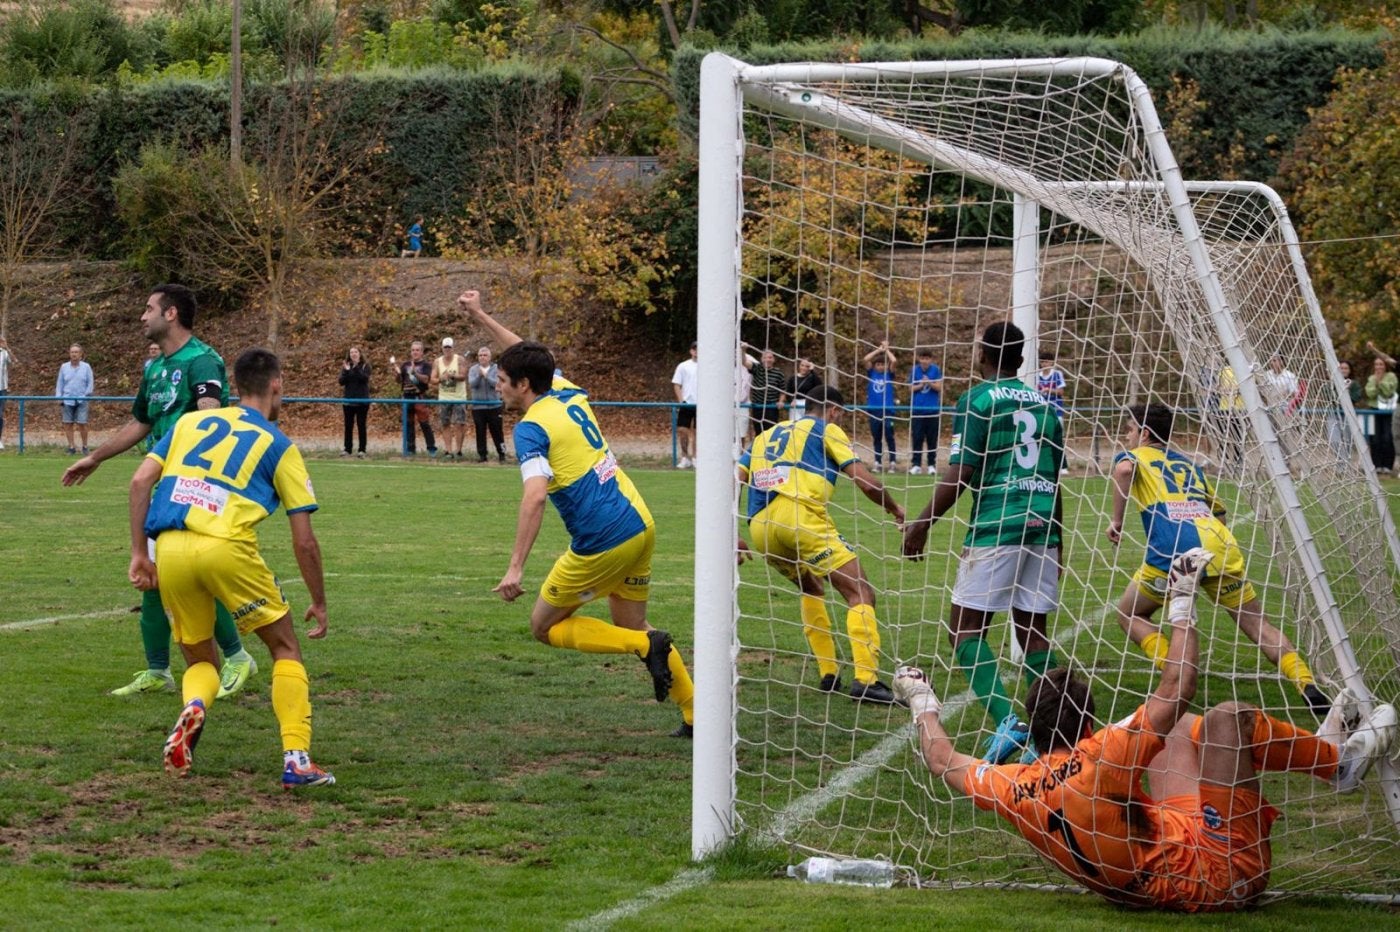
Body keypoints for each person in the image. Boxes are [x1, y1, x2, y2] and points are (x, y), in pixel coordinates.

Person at [891, 548, 1397, 913]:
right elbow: (1179, 686)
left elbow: (942, 760)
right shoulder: (1103, 753)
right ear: (1088, 723)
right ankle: (1338, 766)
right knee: (1227, 719)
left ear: (1034, 734)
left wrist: (922, 700)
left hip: (1158, 863)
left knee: (1175, 731)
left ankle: (1324, 751)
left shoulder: (1015, 784)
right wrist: (1181, 602)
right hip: (1219, 878)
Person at [460, 289, 696, 737]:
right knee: (630, 624)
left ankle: (647, 646)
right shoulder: (564, 390)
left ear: (524, 385)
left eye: (503, 379)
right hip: (640, 524)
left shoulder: (530, 429)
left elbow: (534, 497)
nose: (498, 384)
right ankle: (695, 711)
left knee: (544, 626)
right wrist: (479, 314)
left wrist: (514, 567)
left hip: (602, 540)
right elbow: (530, 355)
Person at [127, 348, 335, 789]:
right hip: (226, 547)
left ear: (236, 386)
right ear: (276, 385)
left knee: (201, 658)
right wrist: (318, 599)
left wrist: (139, 554)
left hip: (170, 546)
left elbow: (140, 480)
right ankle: (297, 759)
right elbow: (304, 540)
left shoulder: (188, 423)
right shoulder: (279, 445)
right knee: (284, 649)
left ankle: (195, 705)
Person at [61, 285, 258, 699]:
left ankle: (238, 657)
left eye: (148, 308)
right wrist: (94, 458)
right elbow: (141, 423)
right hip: (161, 482)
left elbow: (212, 417)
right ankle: (157, 670)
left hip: (191, 484)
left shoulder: (202, 361)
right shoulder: (154, 369)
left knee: (193, 575)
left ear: (171, 314)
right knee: (150, 576)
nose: (141, 316)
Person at [902, 321, 1064, 763]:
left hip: (998, 522)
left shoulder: (977, 400)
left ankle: (1007, 721)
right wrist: (1059, 543)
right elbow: (1053, 475)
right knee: (1032, 633)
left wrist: (921, 524)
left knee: (964, 629)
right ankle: (1053, 734)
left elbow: (961, 473)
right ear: (1022, 358)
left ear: (982, 354)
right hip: (1044, 525)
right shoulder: (1047, 407)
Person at [1107, 402, 1331, 717]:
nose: (1127, 436)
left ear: (1144, 433)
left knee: (1130, 614)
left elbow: (1123, 470)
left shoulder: (1136, 456)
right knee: (1257, 625)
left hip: (1172, 551)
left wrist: (1116, 520)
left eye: (1129, 429)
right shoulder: (1188, 464)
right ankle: (1305, 683)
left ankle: (1175, 669)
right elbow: (1220, 511)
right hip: (1220, 548)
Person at [737, 385, 906, 703]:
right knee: (860, 591)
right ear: (834, 411)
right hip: (799, 517)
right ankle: (866, 681)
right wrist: (895, 509)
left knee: (811, 587)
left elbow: (735, 477)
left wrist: (730, 531)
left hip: (760, 527)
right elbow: (866, 483)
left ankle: (828, 673)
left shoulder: (765, 435)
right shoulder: (825, 428)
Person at [391, 341, 437, 457]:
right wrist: (396, 375)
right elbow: (399, 381)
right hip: (406, 397)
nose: (415, 352)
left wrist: (415, 373)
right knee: (408, 424)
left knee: (424, 423)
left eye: (417, 350)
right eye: (413, 350)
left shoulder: (426, 365)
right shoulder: (405, 365)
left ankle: (431, 449)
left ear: (421, 352)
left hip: (418, 396)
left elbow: (426, 380)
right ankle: (411, 449)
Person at [431, 337, 469, 461]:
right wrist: (441, 379)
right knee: (445, 423)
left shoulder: (460, 360)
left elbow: (463, 376)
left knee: (459, 424)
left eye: (449, 347)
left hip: (459, 397)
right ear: (442, 348)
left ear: (453, 348)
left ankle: (458, 450)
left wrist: (452, 376)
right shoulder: (437, 362)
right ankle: (448, 450)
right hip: (444, 397)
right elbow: (433, 379)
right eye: (445, 347)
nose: (447, 349)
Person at [862, 342, 898, 472]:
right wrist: (879, 350)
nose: (880, 366)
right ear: (875, 366)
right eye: (878, 364)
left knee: (889, 436)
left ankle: (893, 462)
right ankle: (878, 462)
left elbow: (894, 361)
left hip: (887, 410)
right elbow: (866, 359)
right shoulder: (871, 374)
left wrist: (887, 350)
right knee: (877, 437)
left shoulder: (889, 374)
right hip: (874, 410)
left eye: (883, 364)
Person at [469, 345, 507, 463]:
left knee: (497, 432)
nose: (482, 357)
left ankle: (502, 454)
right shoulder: (473, 369)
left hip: (494, 406)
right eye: (480, 355)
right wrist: (480, 376)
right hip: (478, 407)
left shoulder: (496, 369)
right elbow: (472, 384)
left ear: (489, 357)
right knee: (480, 431)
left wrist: (486, 377)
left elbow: (497, 384)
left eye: (485, 355)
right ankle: (482, 455)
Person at [908, 347, 942, 475]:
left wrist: (929, 382)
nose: (925, 361)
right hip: (917, 411)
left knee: (932, 439)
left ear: (931, 359)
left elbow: (939, 387)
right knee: (917, 438)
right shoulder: (914, 370)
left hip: (932, 411)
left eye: (927, 358)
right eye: (922, 358)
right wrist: (921, 385)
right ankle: (916, 465)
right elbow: (910, 389)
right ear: (919, 359)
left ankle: (931, 465)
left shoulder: (936, 370)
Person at [1363, 345, 1397, 475]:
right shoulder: (1371, 378)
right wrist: (1377, 384)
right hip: (1374, 409)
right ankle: (1376, 465)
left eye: (1381, 364)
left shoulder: (1391, 376)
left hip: (1388, 410)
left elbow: (1389, 392)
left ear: (1385, 366)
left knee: (1388, 437)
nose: (1378, 367)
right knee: (1375, 438)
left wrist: (1380, 383)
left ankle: (1387, 465)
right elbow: (1370, 394)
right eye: (1376, 365)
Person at [55, 343, 94, 455]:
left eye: (76, 352)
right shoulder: (64, 367)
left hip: (82, 399)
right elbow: (60, 383)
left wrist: (86, 395)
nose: (74, 354)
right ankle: (71, 447)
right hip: (67, 399)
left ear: (81, 354)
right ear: (69, 354)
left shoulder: (86, 367)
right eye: (72, 352)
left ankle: (85, 446)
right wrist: (59, 397)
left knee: (82, 423)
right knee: (67, 423)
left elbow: (90, 383)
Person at [744, 347, 787, 440]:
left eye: (770, 357)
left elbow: (782, 391)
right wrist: (743, 350)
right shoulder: (757, 368)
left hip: (771, 407)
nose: (768, 359)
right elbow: (744, 362)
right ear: (761, 359)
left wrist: (781, 401)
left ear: (774, 359)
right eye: (765, 357)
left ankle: (770, 452)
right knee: (759, 433)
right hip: (758, 406)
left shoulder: (778, 373)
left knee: (771, 432)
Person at [1327, 359, 1363, 461]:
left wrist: (1347, 390)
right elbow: (1327, 397)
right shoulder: (1331, 382)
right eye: (1341, 368)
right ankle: (1340, 464)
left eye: (1346, 368)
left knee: (1347, 441)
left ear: (1350, 370)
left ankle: (1346, 465)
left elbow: (1356, 397)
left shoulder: (1354, 384)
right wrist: (1333, 384)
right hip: (1333, 414)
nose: (1343, 370)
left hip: (1348, 415)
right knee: (1334, 440)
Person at [339, 346, 371, 458]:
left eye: (355, 352)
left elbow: (364, 379)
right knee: (348, 426)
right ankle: (347, 449)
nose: (353, 354)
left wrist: (356, 368)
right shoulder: (346, 366)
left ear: (360, 353)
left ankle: (362, 450)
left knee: (361, 425)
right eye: (351, 352)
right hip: (348, 401)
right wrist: (347, 371)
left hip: (362, 401)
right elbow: (341, 382)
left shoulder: (365, 366)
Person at [671, 341, 698, 469]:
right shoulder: (683, 366)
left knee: (699, 432)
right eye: (694, 349)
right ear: (691, 351)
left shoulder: (708, 366)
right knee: (682, 430)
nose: (696, 351)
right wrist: (681, 401)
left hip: (702, 404)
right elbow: (676, 384)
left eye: (698, 349)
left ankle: (696, 458)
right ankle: (685, 457)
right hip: (687, 403)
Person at [781, 357, 823, 422]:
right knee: (795, 424)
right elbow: (788, 392)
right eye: (802, 365)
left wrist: (812, 370)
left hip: (808, 404)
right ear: (799, 366)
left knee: (807, 424)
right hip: (795, 404)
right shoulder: (793, 378)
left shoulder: (812, 378)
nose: (803, 368)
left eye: (806, 366)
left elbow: (819, 387)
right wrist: (791, 400)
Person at [0, 335, 13, 450]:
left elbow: (14, 363)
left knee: (0, 415)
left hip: (2, 388)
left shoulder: (4, 353)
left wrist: (7, 347)